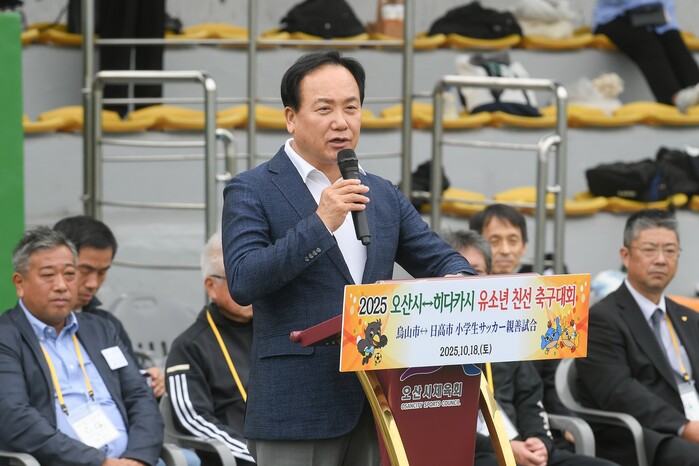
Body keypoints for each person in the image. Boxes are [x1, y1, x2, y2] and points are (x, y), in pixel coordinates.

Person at [221, 49, 476, 466]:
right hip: (297, 408)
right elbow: (244, 280)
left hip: (380, 402)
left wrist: (457, 284)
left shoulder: (382, 192)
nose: (341, 122)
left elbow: (444, 260)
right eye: (324, 109)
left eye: (351, 108)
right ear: (291, 118)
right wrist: (320, 223)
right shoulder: (252, 189)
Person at [0, 227, 163, 465]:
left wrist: (137, 457)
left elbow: (139, 396)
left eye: (69, 274)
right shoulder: (6, 338)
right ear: (20, 283)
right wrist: (101, 462)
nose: (61, 285)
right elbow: (15, 417)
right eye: (48, 275)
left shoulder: (101, 329)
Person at [576, 209, 699, 466]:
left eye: (670, 250)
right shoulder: (601, 319)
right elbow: (618, 392)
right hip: (649, 434)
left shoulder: (688, 317)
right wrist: (685, 427)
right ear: (626, 255)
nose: (661, 260)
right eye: (650, 249)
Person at [470, 204, 575, 451]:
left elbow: (550, 377)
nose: (505, 250)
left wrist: (561, 424)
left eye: (513, 240)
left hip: (533, 425)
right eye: (495, 241)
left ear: (524, 247)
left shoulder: (544, 303)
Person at [165, 232, 254, 466]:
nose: (250, 285)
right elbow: (192, 419)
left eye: (253, 274)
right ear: (211, 286)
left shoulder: (274, 330)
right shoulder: (188, 346)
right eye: (237, 275)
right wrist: (257, 454)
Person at [54, 215, 165, 399]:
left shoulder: (108, 325)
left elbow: (135, 390)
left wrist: (150, 383)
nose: (93, 283)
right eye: (85, 270)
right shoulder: (28, 329)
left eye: (102, 272)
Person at [593, 0, 699, 112]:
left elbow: (666, 7)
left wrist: (669, 27)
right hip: (614, 18)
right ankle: (674, 99)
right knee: (648, 45)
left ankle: (695, 90)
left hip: (651, 18)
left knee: (674, 42)